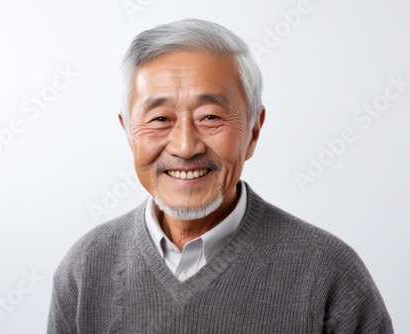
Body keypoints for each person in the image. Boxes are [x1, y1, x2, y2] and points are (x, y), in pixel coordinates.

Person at [47, 19, 393, 333]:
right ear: (128, 133)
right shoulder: (86, 267)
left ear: (254, 131)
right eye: (159, 119)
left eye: (210, 117)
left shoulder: (328, 272)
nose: (184, 147)